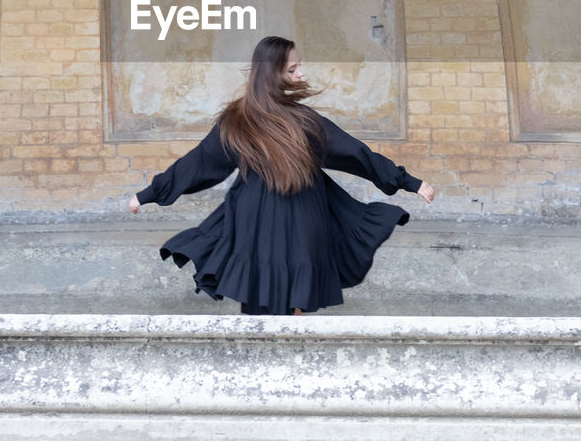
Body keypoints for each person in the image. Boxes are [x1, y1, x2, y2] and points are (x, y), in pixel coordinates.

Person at [128, 35, 435, 315]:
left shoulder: (242, 121)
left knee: (263, 294)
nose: (301, 74)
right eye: (293, 69)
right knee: (297, 297)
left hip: (263, 216)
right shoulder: (291, 121)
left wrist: (148, 194)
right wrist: (408, 182)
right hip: (294, 216)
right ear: (272, 74)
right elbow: (356, 154)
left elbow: (198, 164)